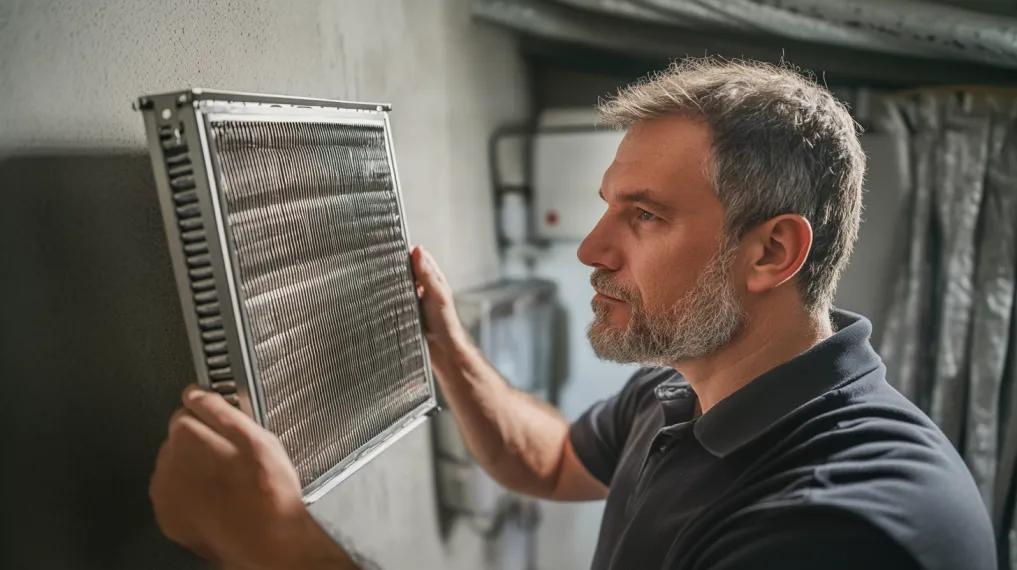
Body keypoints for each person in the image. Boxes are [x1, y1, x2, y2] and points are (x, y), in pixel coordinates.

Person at [149, 58, 996, 570]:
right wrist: (447, 349)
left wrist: (281, 545)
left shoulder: (839, 526)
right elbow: (553, 461)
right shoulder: (686, 390)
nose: (591, 249)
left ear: (771, 252)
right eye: (608, 207)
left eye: (644, 215)